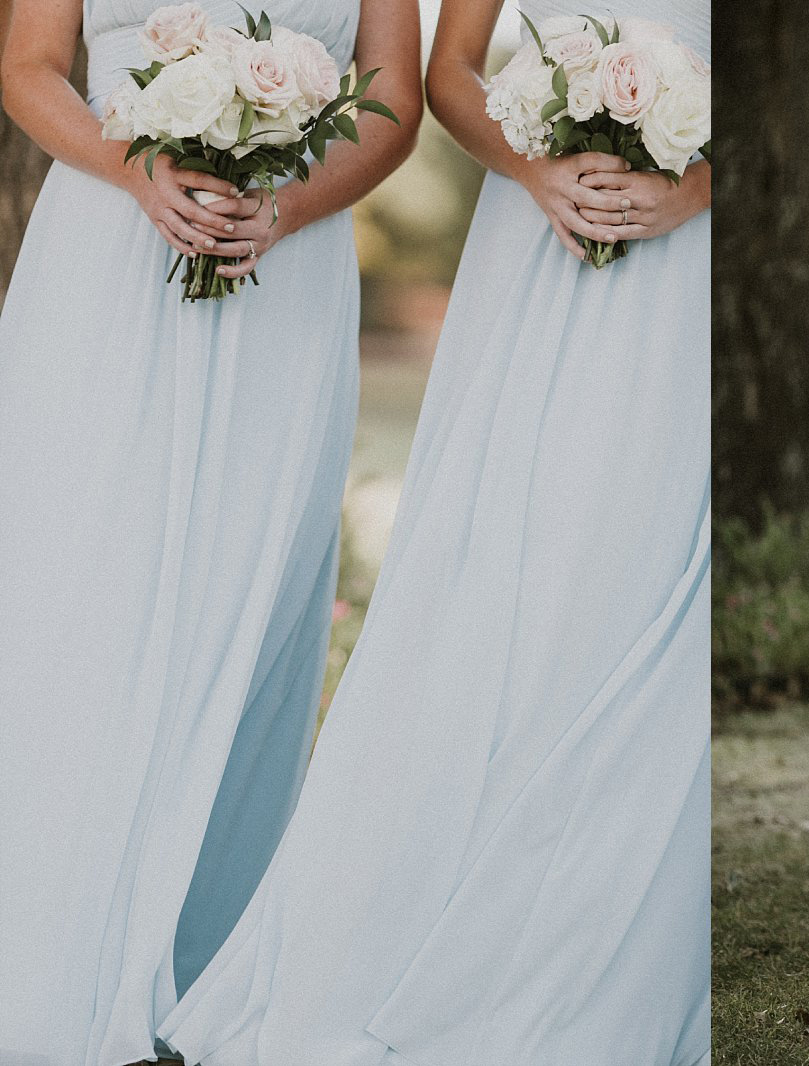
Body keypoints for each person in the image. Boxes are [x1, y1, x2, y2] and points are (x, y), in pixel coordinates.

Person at [159, 3, 710, 1062]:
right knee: (505, 563)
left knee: (638, 570)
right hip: (534, 237)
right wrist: (536, 168)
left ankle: (607, 939)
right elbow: (451, 72)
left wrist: (695, 188)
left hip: (684, 251)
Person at [0, 1, 420, 1063]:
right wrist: (137, 167)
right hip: (105, 248)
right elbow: (30, 67)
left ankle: (200, 953)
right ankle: (48, 951)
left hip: (285, 263)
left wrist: (285, 207)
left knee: (250, 595)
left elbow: (395, 102)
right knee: (76, 586)